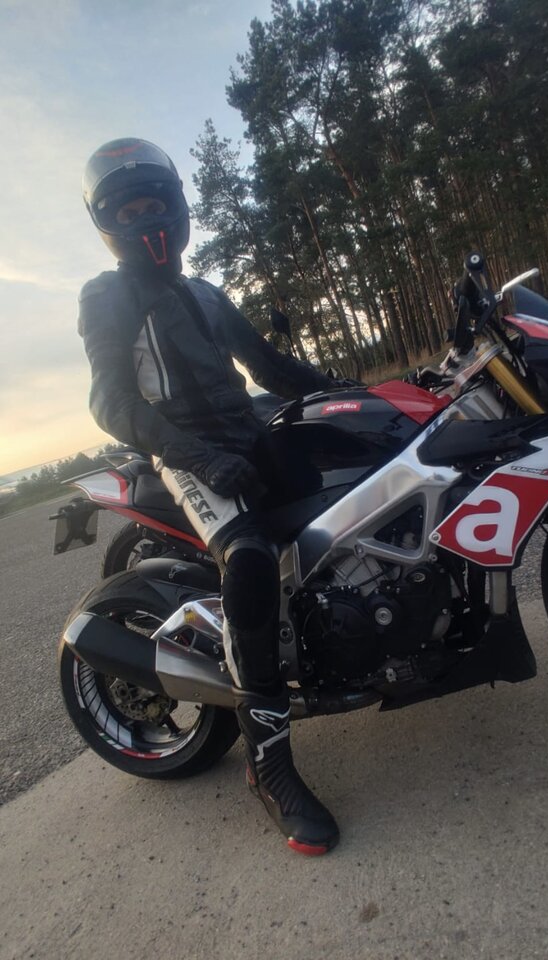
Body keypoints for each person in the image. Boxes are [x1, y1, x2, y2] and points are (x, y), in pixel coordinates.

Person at [78, 137, 340, 855]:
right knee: (250, 558)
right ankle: (269, 765)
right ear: (107, 225)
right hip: (185, 452)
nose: (146, 218)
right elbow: (109, 402)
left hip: (248, 432)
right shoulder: (107, 295)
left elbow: (270, 367)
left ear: (177, 205)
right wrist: (199, 457)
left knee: (358, 486)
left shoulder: (203, 293)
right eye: (128, 211)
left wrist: (361, 395)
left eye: (154, 202)